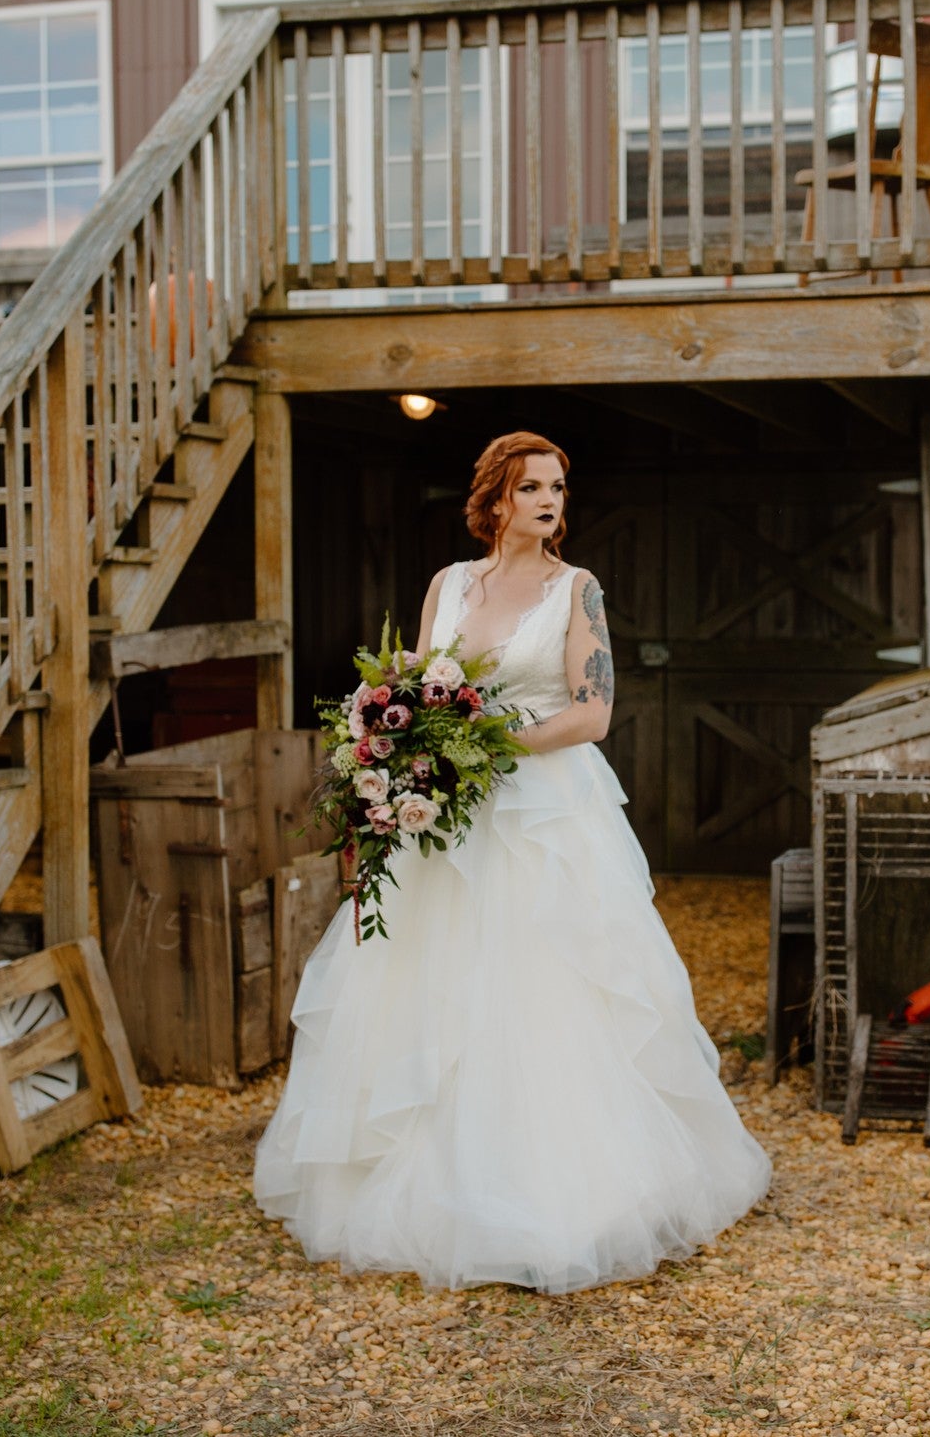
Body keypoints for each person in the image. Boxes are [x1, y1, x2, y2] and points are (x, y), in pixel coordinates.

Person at [253, 432, 771, 1294]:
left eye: (558, 488)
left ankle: (564, 1193)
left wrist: (491, 745)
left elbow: (594, 711)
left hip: (545, 809)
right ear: (495, 499)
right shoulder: (448, 584)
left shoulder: (579, 590)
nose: (548, 501)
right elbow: (415, 687)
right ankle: (435, 1186)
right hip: (447, 816)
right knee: (432, 980)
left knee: (544, 983)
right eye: (531, 487)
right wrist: (401, 750)